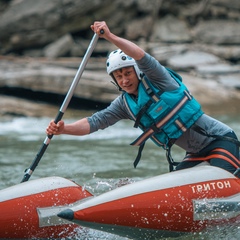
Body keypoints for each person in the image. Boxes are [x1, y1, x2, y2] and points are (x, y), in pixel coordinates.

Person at [46, 21, 240, 177]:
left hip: (221, 142)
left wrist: (110, 37)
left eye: (127, 73)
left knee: (223, 181)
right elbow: (95, 122)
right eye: (119, 77)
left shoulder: (159, 79)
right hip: (196, 154)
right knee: (172, 192)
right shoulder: (124, 105)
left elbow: (140, 55)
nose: (124, 80)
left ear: (137, 71)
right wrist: (64, 129)